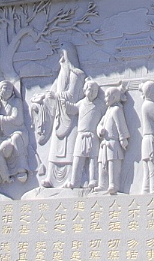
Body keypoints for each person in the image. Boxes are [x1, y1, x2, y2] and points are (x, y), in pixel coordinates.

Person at [36, 46, 86, 188]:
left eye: (63, 56)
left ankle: (71, 178)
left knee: (70, 149)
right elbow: (52, 91)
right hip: (60, 116)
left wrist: (56, 96)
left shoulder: (77, 74)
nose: (61, 60)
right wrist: (43, 97)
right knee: (55, 148)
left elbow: (72, 95)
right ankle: (50, 178)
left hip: (71, 114)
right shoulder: (61, 74)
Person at [96, 85, 130, 195]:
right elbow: (100, 124)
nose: (105, 98)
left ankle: (113, 184)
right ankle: (102, 184)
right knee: (102, 163)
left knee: (113, 164)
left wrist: (123, 138)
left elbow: (121, 125)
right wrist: (100, 130)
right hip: (104, 143)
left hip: (113, 143)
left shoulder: (116, 110)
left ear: (114, 97)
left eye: (107, 96)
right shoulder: (108, 111)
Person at [71, 80, 104, 190]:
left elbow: (106, 116)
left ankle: (93, 180)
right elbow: (72, 109)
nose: (93, 92)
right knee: (78, 158)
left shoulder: (100, 104)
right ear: (84, 90)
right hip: (81, 135)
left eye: (95, 90)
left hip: (93, 135)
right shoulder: (81, 103)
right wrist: (62, 103)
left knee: (93, 158)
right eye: (90, 89)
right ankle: (74, 181)